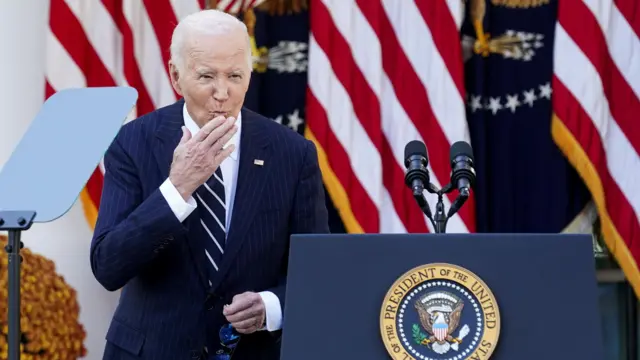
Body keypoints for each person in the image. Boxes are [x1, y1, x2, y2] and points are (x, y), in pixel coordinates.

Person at [89, 9, 329, 360]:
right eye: (206, 76)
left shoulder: (292, 153)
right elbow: (108, 266)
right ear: (176, 75)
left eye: (235, 75)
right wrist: (176, 189)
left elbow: (318, 272)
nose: (223, 93)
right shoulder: (134, 142)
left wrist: (272, 305)